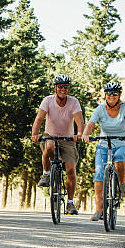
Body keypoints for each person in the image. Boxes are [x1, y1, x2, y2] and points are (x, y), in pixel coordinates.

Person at [82, 81, 125, 221]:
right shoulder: (100, 109)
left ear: (119, 96)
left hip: (122, 143)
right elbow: (91, 124)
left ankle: (122, 183)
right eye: (109, 93)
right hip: (104, 144)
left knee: (119, 157)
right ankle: (99, 210)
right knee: (99, 173)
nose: (111, 96)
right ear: (105, 95)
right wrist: (86, 134)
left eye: (114, 94)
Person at [31, 74, 85, 215]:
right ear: (55, 88)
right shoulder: (47, 101)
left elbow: (79, 120)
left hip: (68, 139)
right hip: (51, 135)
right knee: (48, 147)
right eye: (60, 86)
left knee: (71, 171)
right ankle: (46, 174)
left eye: (65, 87)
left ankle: (70, 203)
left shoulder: (74, 102)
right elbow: (39, 119)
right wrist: (35, 134)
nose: (63, 89)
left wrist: (79, 134)